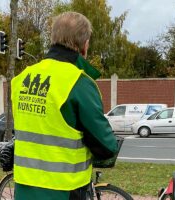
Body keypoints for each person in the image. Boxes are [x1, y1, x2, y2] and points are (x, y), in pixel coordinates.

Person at [11, 12, 118, 200]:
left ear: (53, 38)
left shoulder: (21, 79)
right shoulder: (79, 83)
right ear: (84, 45)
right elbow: (105, 146)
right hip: (65, 191)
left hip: (24, 189)